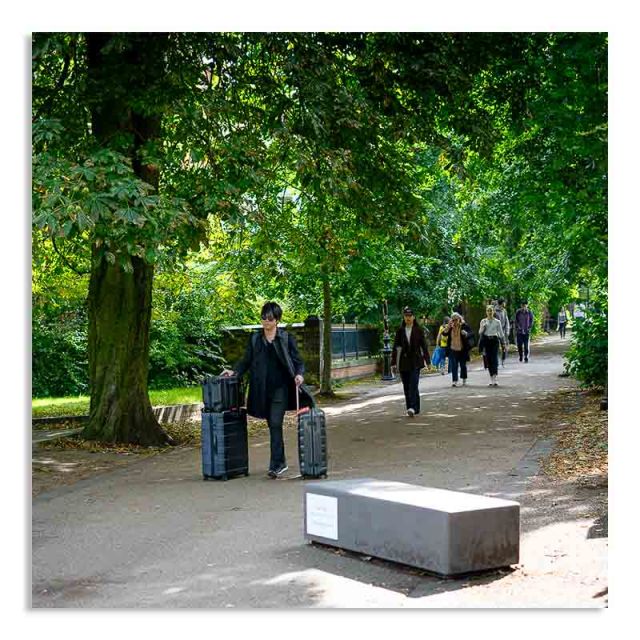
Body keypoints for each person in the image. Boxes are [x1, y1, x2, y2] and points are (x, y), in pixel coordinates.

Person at [222, 301, 308, 478]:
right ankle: (281, 461)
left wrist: (299, 374)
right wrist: (234, 371)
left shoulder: (286, 338)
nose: (266, 322)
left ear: (277, 320)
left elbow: (298, 361)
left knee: (275, 423)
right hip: (261, 389)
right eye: (263, 318)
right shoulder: (255, 339)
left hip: (281, 388)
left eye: (270, 318)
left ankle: (276, 465)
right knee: (272, 425)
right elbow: (246, 360)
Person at [391, 306, 430, 417]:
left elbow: (424, 346)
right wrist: (393, 362)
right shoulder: (400, 331)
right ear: (403, 317)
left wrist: (428, 361)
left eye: (410, 316)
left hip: (415, 361)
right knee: (407, 386)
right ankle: (411, 407)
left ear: (413, 317)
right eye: (406, 316)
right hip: (403, 362)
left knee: (413, 384)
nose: (408, 318)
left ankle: (413, 407)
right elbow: (395, 347)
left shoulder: (418, 330)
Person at [441, 312, 475, 387]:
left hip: (462, 349)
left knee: (463, 365)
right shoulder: (450, 327)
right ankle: (454, 381)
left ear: (459, 319)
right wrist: (448, 326)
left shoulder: (464, 326)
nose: (455, 321)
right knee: (454, 365)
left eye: (456, 319)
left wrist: (466, 333)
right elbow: (444, 333)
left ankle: (464, 379)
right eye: (453, 320)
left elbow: (472, 333)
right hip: (452, 349)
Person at [478, 305, 507, 386]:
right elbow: (479, 332)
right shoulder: (483, 321)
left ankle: (494, 376)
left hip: (494, 340)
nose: (490, 312)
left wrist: (503, 343)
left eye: (491, 310)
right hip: (486, 341)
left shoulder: (497, 322)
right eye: (488, 310)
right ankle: (491, 377)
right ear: (486, 312)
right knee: (488, 359)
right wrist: (483, 327)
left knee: (494, 358)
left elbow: (501, 334)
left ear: (493, 312)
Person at [493, 297, 510, 366]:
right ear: (502, 303)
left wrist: (507, 330)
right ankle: (496, 361)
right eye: (504, 302)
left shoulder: (504, 311)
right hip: (496, 332)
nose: (505, 304)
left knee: (504, 347)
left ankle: (503, 360)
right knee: (496, 347)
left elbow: (506, 321)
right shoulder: (494, 311)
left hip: (503, 331)